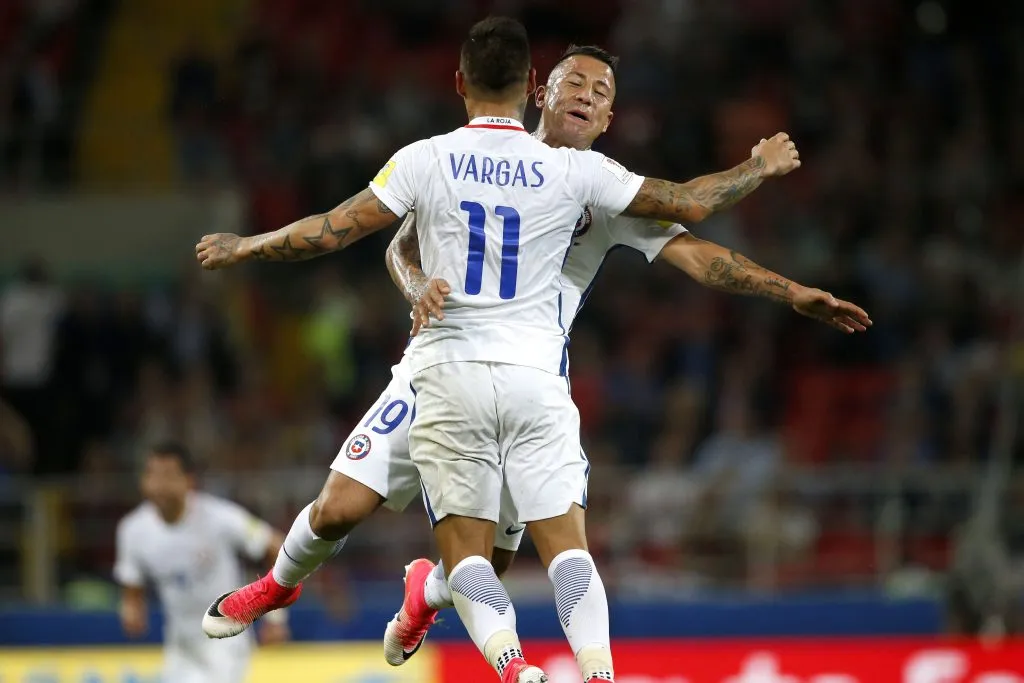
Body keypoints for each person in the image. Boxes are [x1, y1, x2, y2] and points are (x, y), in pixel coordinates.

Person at [194, 18, 864, 683]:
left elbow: (701, 255)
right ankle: (276, 586)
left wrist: (790, 291)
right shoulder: (464, 161)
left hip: (524, 379)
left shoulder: (600, 187)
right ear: (540, 91)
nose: (587, 96)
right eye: (576, 82)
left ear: (609, 118)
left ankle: (427, 593)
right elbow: (399, 244)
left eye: (602, 92)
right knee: (340, 507)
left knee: (488, 562)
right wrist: (416, 284)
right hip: (435, 366)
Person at [114, 441, 290, 683]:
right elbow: (132, 589)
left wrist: (275, 617)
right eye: (152, 475)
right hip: (180, 646)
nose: (158, 485)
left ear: (188, 481)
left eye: (167, 476)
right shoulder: (133, 530)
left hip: (225, 639)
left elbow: (276, 547)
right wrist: (132, 610)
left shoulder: (219, 518)